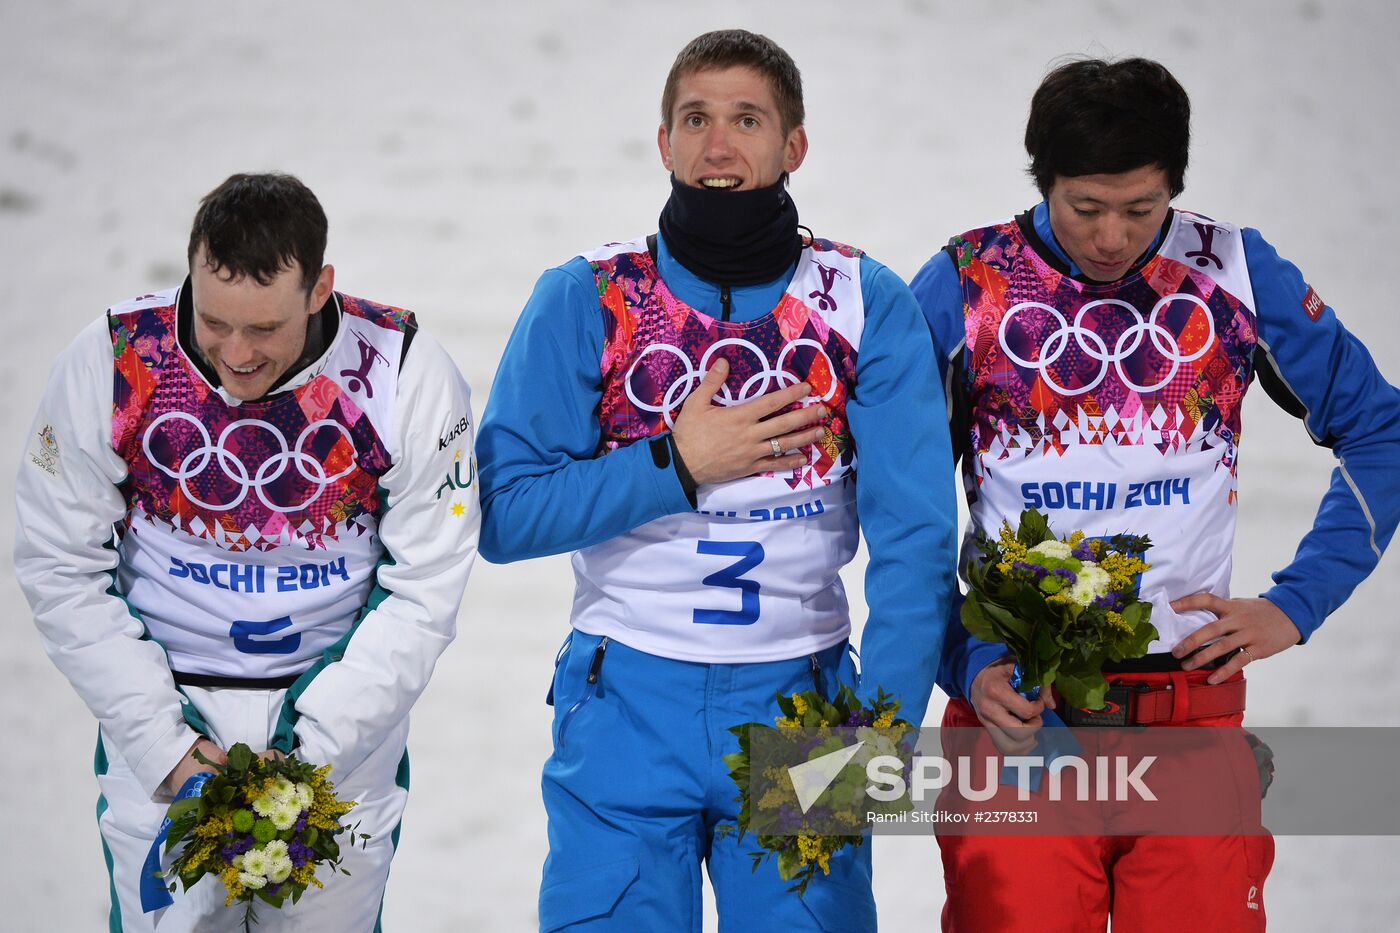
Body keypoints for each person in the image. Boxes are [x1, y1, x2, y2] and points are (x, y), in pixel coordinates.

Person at [476, 29, 957, 932]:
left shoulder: (864, 299)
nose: (719, 144)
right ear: (664, 141)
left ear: (793, 145)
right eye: (696, 118)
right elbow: (505, 513)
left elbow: (919, 540)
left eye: (747, 119)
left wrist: (878, 738)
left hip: (801, 705)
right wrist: (677, 463)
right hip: (626, 702)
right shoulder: (586, 296)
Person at [910, 57, 1400, 931]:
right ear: (1043, 181)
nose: (1112, 238)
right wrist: (968, 659)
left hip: (1190, 714)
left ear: (1176, 183)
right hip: (1023, 718)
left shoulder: (1240, 274)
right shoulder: (966, 283)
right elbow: (896, 509)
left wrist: (1296, 603)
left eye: (1142, 209)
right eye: (1085, 208)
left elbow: (1381, 429)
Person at [14, 172, 480, 931]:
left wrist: (314, 753)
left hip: (337, 740)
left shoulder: (405, 371)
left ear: (319, 288)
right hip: (168, 728)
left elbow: (426, 584)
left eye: (263, 329)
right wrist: (164, 744)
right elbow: (59, 564)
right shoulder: (114, 358)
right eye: (214, 321)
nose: (235, 353)